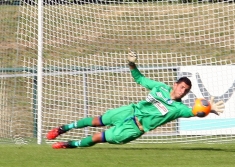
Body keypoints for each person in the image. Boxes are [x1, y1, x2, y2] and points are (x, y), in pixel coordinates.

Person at [47, 49, 225, 148]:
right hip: (130, 111)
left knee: (96, 137)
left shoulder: (179, 109)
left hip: (134, 127)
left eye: (186, 90)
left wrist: (209, 108)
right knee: (96, 120)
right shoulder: (160, 87)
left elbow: (195, 111)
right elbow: (140, 79)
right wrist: (132, 64)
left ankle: (68, 144)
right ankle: (63, 128)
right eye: (181, 87)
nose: (182, 91)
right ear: (175, 84)